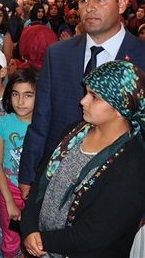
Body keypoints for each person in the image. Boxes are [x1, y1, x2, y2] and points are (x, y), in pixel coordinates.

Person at [19, 0, 145, 199]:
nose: (90, 7)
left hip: (119, 183)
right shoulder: (58, 54)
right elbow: (42, 119)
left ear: (122, 4)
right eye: (84, 0)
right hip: (57, 173)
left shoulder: (141, 57)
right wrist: (28, 174)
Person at [21, 61, 145, 257]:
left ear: (121, 106)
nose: (83, 101)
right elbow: (40, 182)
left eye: (94, 97)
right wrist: (29, 228)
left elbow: (98, 232)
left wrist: (42, 240)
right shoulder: (74, 132)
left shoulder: (133, 164)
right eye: (87, 93)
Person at [0, 68, 38, 258]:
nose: (20, 102)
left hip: (36, 192)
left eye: (28, 95)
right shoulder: (2, 123)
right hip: (9, 189)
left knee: (35, 238)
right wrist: (10, 201)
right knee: (11, 237)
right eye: (15, 94)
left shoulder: (43, 123)